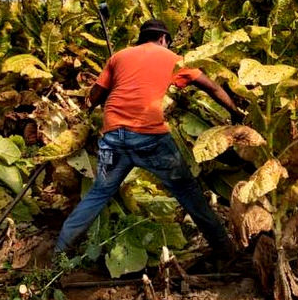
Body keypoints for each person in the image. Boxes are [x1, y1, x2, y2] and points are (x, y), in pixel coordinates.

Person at [55, 19, 240, 259]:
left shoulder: (119, 57)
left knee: (98, 193)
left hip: (113, 136)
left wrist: (91, 109)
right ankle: (226, 251)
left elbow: (95, 95)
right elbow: (211, 87)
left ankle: (59, 253)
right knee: (187, 191)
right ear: (163, 39)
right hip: (150, 135)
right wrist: (235, 112)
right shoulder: (173, 59)